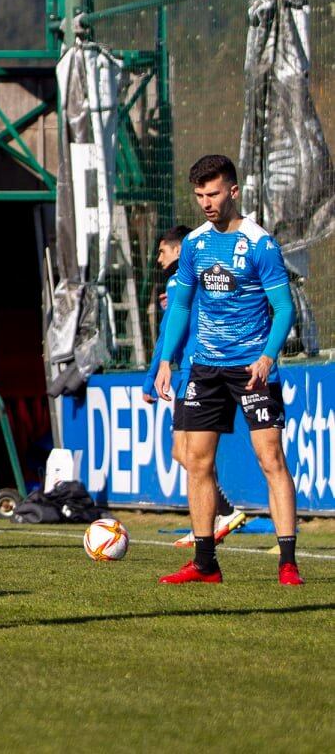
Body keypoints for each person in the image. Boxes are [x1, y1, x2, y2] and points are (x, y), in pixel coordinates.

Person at [154, 155, 300, 586]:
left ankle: (287, 563)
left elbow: (283, 308)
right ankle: (205, 564)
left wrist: (268, 357)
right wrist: (166, 360)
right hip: (205, 368)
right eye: (199, 195)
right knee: (197, 462)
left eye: (213, 194)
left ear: (233, 192)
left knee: (270, 458)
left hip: (253, 368)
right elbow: (181, 306)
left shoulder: (260, 244)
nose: (206, 202)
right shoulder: (194, 244)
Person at [141, 225, 247, 546]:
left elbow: (167, 334)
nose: (159, 259)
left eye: (162, 251)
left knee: (192, 454)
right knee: (183, 452)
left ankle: (221, 513)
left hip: (193, 372)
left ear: (177, 250)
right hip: (205, 367)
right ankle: (215, 517)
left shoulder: (178, 280)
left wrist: (151, 377)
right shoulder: (200, 278)